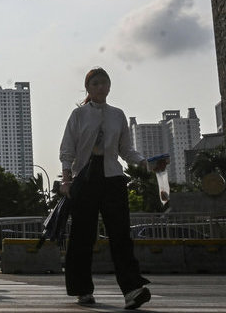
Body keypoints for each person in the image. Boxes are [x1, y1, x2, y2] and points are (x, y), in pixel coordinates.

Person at [59, 67, 167, 309]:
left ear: (109, 87)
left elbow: (126, 150)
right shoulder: (78, 115)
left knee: (120, 235)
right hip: (85, 180)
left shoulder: (118, 115)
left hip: (113, 179)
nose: (100, 87)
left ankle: (132, 290)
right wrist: (66, 181)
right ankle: (82, 289)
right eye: (95, 83)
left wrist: (146, 163)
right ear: (88, 88)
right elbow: (67, 150)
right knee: (82, 236)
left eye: (103, 83)